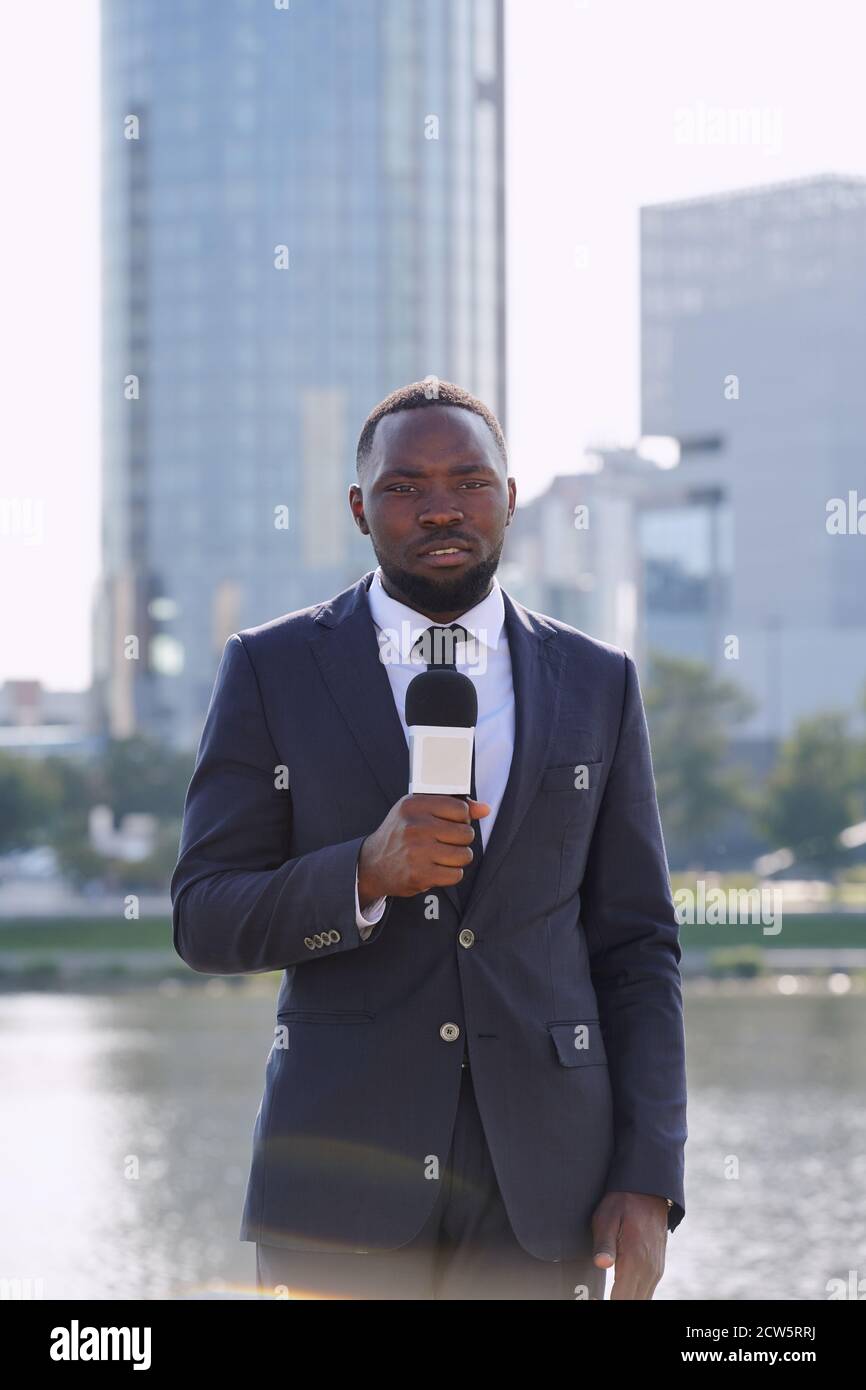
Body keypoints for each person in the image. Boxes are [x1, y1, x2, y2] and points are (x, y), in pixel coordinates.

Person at [170, 378, 687, 1300]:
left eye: (469, 481)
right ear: (361, 508)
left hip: (547, 1198)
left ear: (511, 497)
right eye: (406, 487)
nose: (441, 507)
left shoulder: (597, 681)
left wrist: (648, 1178)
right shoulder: (271, 668)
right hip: (337, 1188)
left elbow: (639, 947)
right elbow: (204, 917)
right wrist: (361, 875)